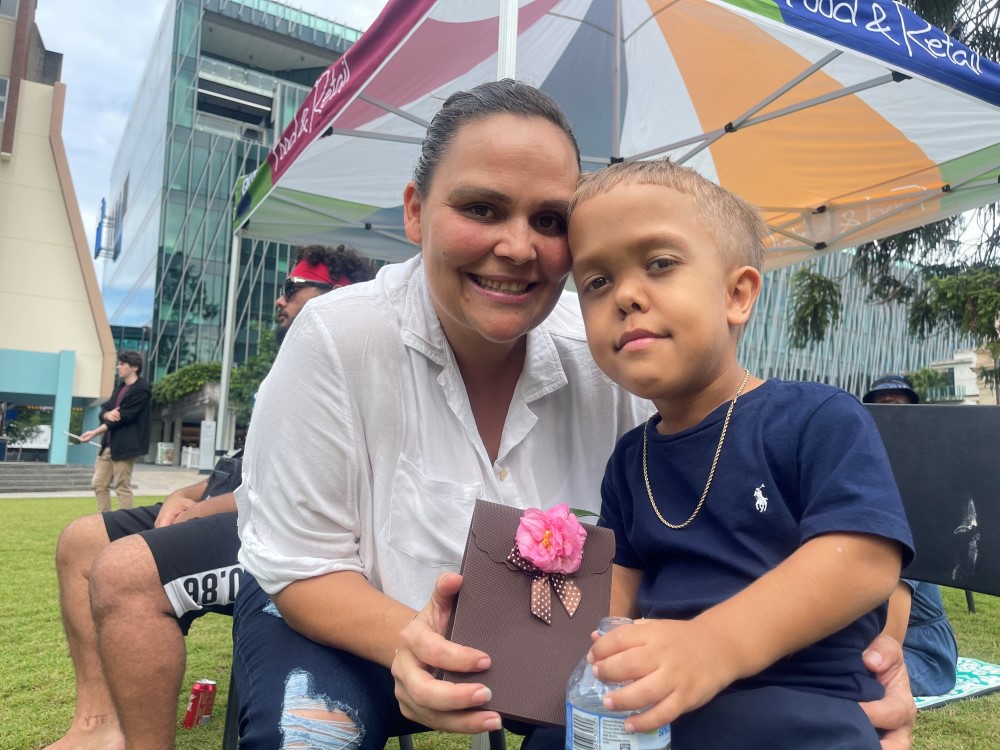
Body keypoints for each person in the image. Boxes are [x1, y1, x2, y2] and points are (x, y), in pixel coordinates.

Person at [233, 80, 917, 750]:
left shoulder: (802, 414)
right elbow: (609, 605)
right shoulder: (341, 337)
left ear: (738, 294)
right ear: (415, 212)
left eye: (551, 221)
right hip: (588, 688)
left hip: (769, 708)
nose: (519, 247)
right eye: (481, 207)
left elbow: (863, 556)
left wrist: (879, 646)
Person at [563, 158, 914, 748]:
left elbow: (864, 560)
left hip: (799, 702)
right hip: (663, 702)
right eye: (596, 281)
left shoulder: (815, 418)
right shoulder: (630, 460)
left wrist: (712, 646)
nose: (625, 294)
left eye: (659, 264)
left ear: (737, 294)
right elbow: (616, 593)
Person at [46, 245, 375, 750]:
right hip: (230, 500)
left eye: (291, 288)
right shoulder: (290, 361)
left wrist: (205, 509)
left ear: (340, 295)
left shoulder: (357, 364)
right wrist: (188, 491)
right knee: (80, 539)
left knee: (125, 571)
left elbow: (301, 489)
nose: (279, 302)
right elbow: (251, 461)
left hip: (269, 528)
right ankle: (98, 725)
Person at [864, 374, 959, 697]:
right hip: (875, 639)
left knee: (843, 680)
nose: (891, 420)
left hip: (923, 656)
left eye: (898, 408)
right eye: (881, 409)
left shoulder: (909, 503)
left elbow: (892, 636)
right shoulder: (865, 489)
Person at [80, 350, 152, 512]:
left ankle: (124, 525)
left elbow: (122, 418)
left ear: (134, 367)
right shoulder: (120, 388)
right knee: (99, 484)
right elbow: (105, 410)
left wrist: (93, 432)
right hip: (108, 445)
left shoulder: (142, 390)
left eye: (122, 364)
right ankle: (104, 521)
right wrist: (107, 414)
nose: (118, 367)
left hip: (125, 446)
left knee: (122, 486)